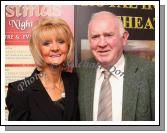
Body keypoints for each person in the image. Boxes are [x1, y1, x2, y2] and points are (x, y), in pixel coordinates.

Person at [76, 11, 155, 121]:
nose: (102, 44)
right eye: (95, 37)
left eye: (108, 35)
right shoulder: (80, 72)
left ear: (124, 38)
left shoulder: (151, 72)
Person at [6, 18, 79, 121]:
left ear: (68, 46)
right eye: (46, 43)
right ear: (38, 49)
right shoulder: (19, 91)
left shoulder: (76, 82)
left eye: (61, 41)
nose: (55, 48)